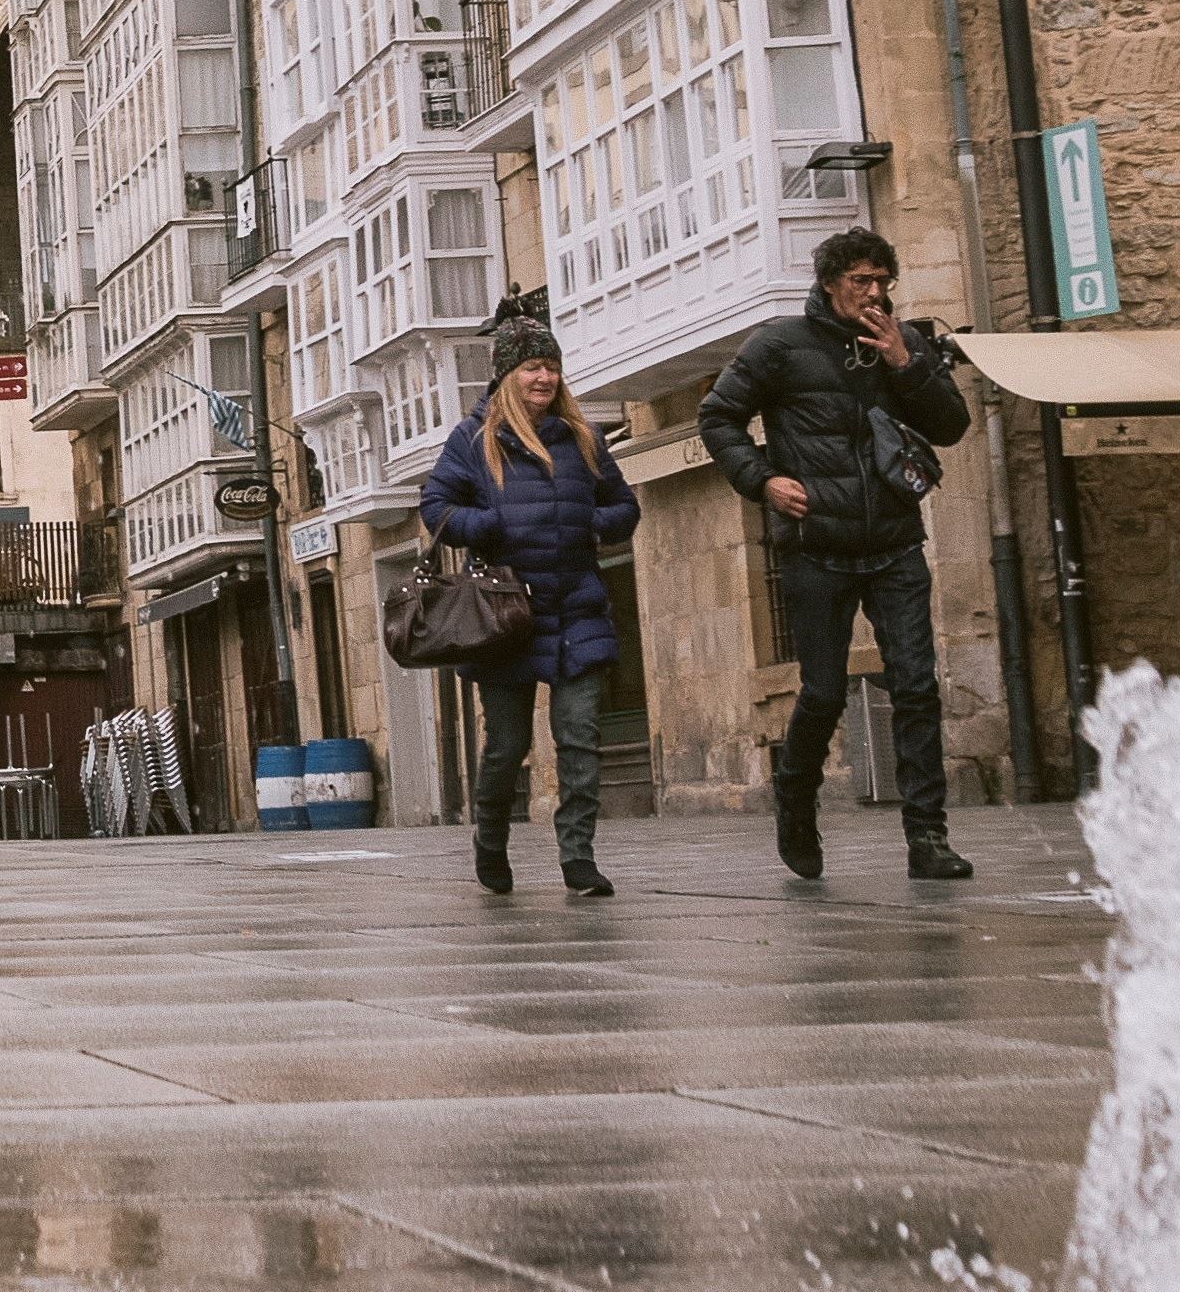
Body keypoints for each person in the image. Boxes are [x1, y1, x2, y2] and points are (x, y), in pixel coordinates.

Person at [701, 224, 983, 885]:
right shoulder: (778, 345)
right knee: (822, 695)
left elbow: (950, 426)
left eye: (882, 281)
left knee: (915, 684)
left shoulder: (902, 343)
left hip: (892, 543)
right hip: (815, 549)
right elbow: (717, 417)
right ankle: (794, 807)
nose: (873, 293)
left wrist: (905, 364)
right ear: (829, 283)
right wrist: (762, 479)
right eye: (860, 281)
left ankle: (926, 836)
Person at [416, 321, 636, 899]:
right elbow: (435, 505)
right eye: (532, 367)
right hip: (505, 611)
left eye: (551, 366)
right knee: (507, 745)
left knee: (579, 737)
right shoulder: (473, 438)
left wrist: (594, 522)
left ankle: (578, 858)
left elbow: (624, 505)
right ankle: (490, 841)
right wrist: (486, 525)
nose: (545, 377)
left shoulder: (582, 438)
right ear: (507, 375)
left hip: (576, 607)